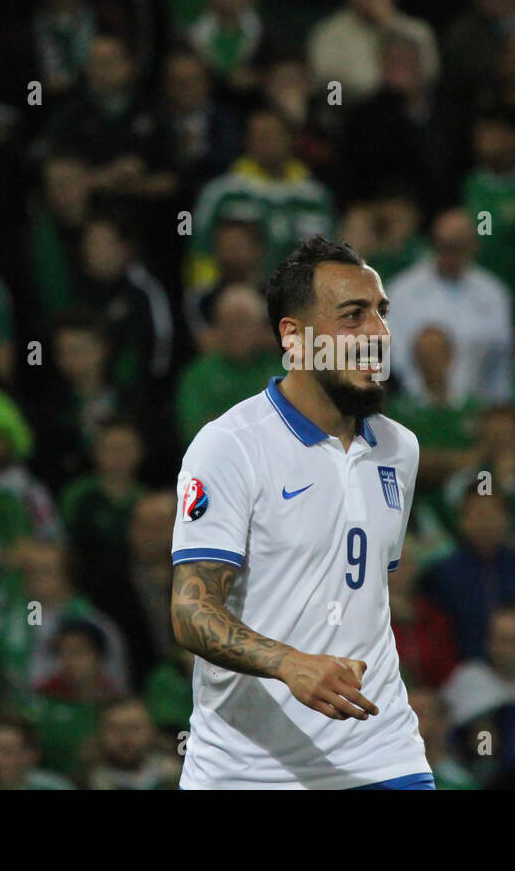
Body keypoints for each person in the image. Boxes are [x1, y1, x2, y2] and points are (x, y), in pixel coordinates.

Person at [169, 234, 432, 788]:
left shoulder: (399, 449)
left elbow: (361, 593)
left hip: (381, 755)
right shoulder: (230, 446)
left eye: (381, 314)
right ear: (294, 336)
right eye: (352, 317)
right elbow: (191, 612)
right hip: (248, 769)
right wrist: (291, 662)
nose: (378, 336)